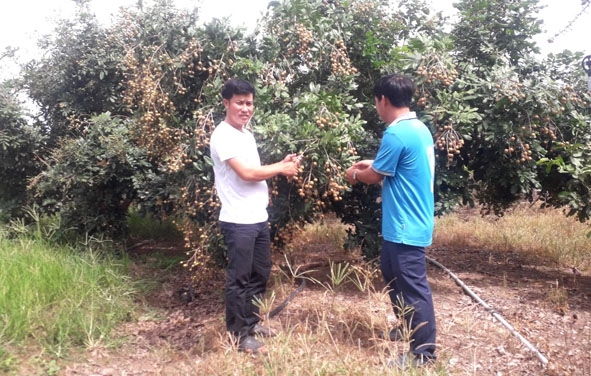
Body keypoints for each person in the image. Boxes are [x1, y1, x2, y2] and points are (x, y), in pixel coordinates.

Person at [345, 74, 437, 368]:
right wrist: (372, 163)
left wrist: (357, 174)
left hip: (404, 226)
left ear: (383, 100)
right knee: (392, 274)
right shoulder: (417, 128)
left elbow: (374, 177)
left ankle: (423, 354)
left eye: (376, 102)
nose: (376, 107)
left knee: (413, 287)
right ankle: (407, 326)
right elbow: (399, 165)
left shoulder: (396, 134)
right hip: (404, 223)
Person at [209, 78, 300, 354]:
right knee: (239, 279)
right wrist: (281, 169)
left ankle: (251, 322)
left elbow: (256, 170)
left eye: (249, 103)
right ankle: (240, 336)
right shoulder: (223, 136)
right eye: (239, 102)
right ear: (226, 103)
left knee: (259, 273)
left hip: (257, 217)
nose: (246, 108)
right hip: (238, 221)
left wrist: (280, 165)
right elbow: (247, 174)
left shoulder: (245, 135)